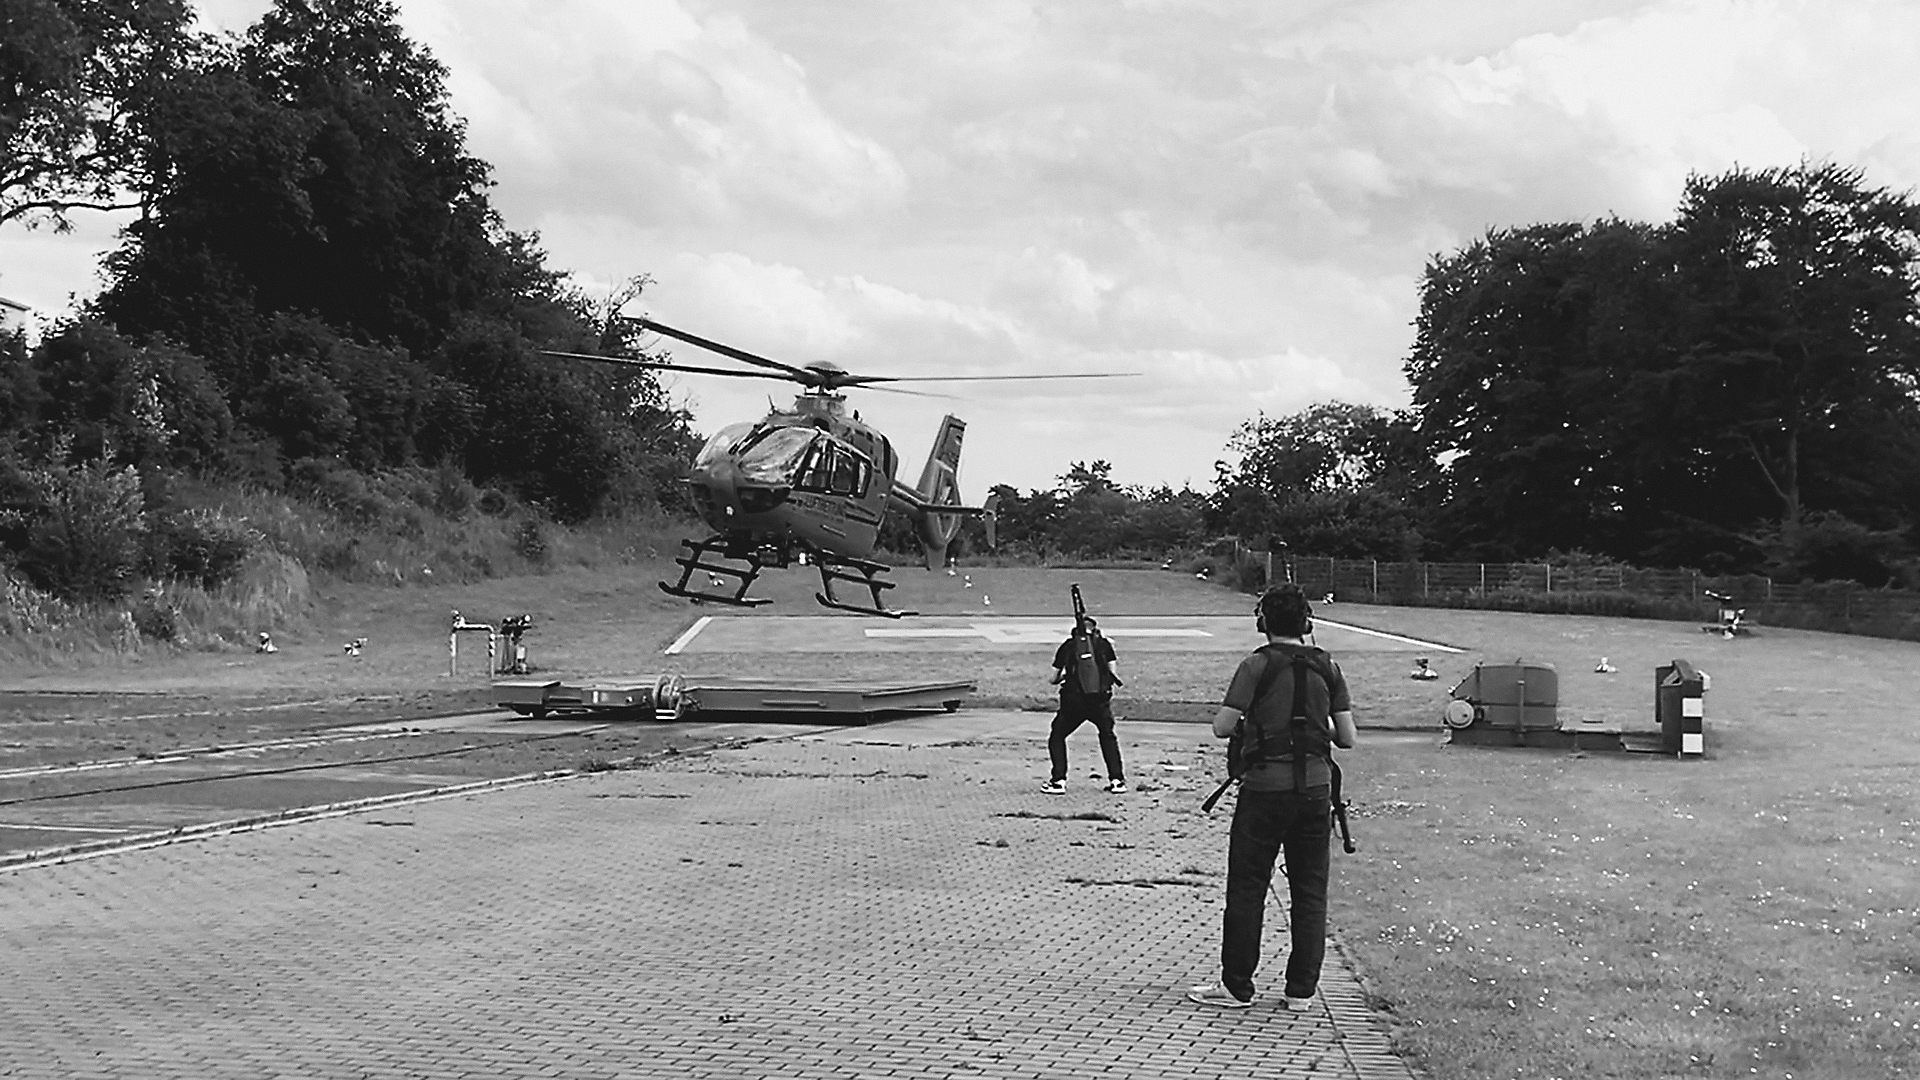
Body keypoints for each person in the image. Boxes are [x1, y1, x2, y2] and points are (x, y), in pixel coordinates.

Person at [1187, 583, 1356, 1011]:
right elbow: (1348, 738)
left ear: (1263, 623)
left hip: (1265, 789)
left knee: (1247, 888)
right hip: (1316, 790)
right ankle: (1301, 991)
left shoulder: (1256, 665)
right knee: (1310, 891)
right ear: (1308, 623)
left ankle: (1237, 986)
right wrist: (1311, 730)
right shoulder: (1328, 667)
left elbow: (1222, 727)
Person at [1041, 616, 1127, 794]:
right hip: (1099, 701)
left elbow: (1053, 678)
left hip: (1073, 701)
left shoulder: (1068, 645)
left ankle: (1058, 781)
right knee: (1107, 735)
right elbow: (1112, 673)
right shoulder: (1104, 645)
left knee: (1057, 735)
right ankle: (1117, 780)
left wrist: (1066, 676)